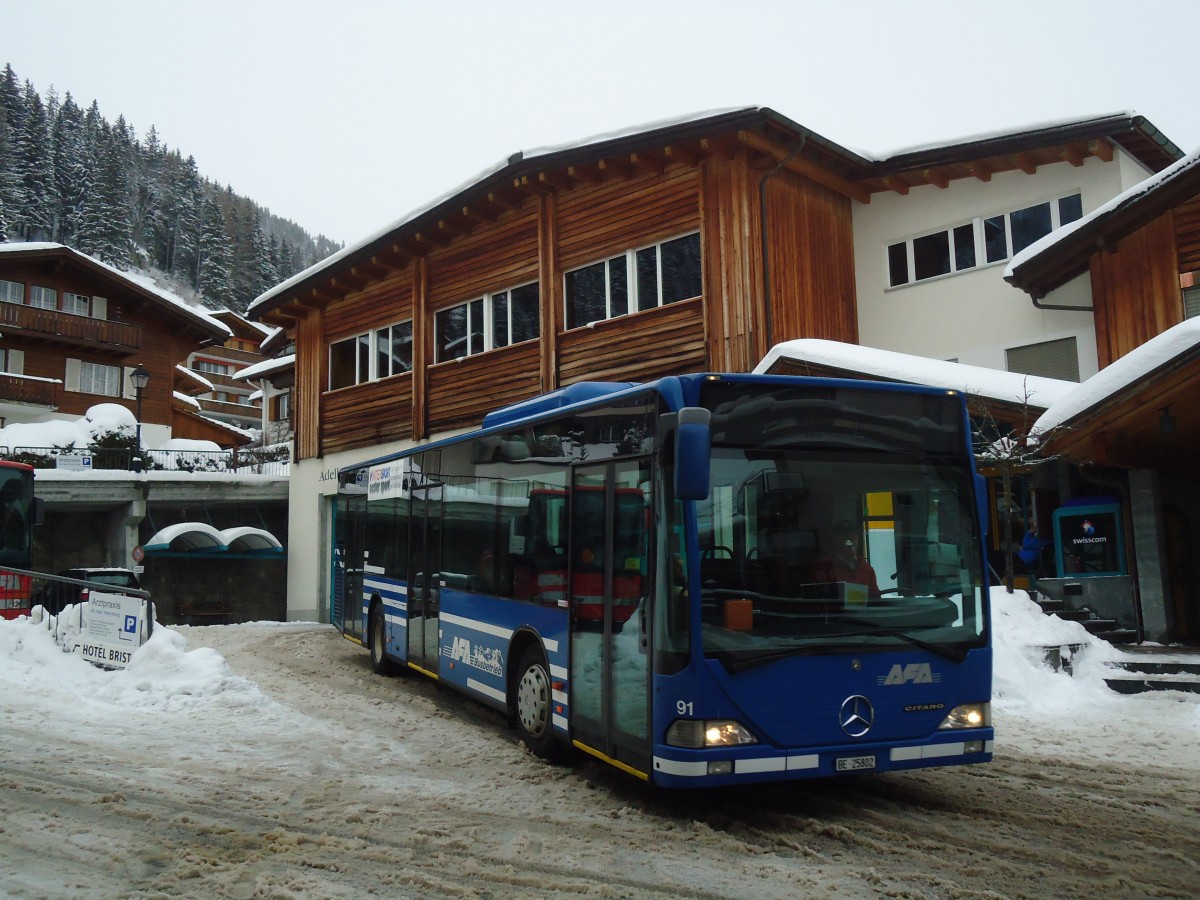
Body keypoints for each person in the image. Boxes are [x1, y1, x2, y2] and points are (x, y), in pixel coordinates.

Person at [815, 520, 880, 599]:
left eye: (855, 539)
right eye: (848, 540)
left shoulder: (866, 568)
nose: (853, 544)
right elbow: (817, 600)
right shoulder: (824, 566)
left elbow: (876, 600)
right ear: (837, 540)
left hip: (863, 611)